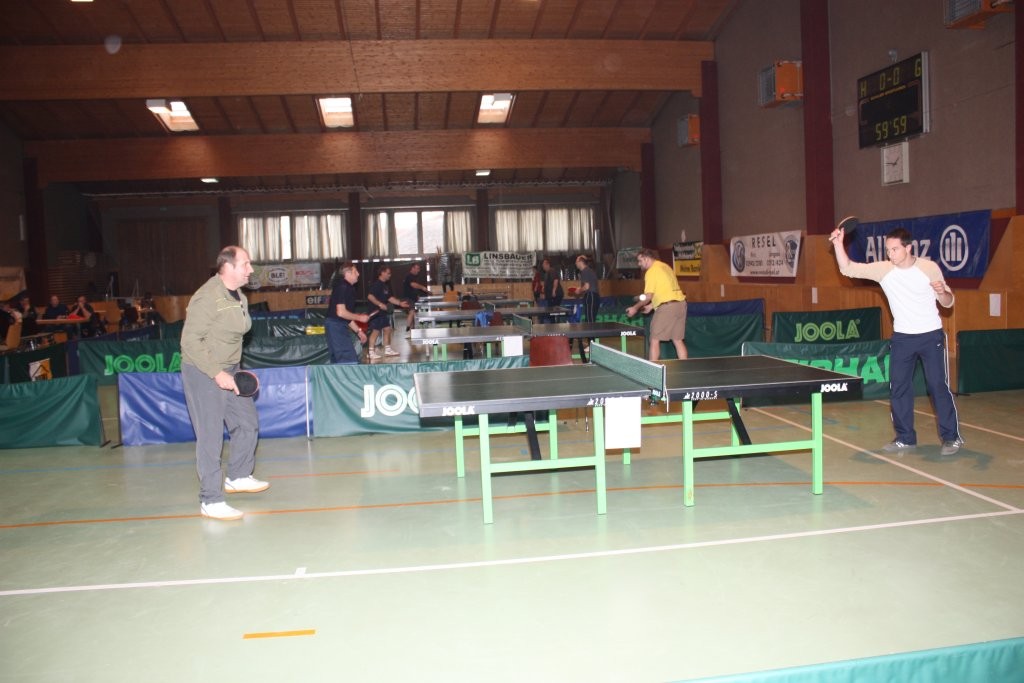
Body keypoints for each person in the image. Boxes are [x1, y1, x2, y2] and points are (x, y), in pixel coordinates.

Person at [829, 224, 963, 456]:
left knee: (937, 386)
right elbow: (847, 269)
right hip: (902, 338)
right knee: (899, 387)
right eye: (888, 250)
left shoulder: (929, 268)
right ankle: (905, 438)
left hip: (931, 335)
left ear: (908, 248)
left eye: (894, 249)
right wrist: (838, 244)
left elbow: (948, 302)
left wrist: (942, 292)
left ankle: (951, 438)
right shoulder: (884, 270)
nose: (890, 254)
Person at [180, 246, 268, 521]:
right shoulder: (207, 297)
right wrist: (217, 373)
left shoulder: (239, 295)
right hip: (203, 371)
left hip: (230, 369)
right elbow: (189, 341)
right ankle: (211, 500)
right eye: (246, 264)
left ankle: (238, 475)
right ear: (228, 267)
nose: (250, 269)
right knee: (210, 436)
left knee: (247, 422)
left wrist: (233, 371)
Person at [625, 247, 687, 361]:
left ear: (646, 258)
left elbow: (648, 296)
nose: (639, 264)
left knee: (654, 340)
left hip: (668, 308)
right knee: (677, 340)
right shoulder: (665, 266)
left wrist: (635, 308)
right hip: (680, 305)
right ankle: (684, 367)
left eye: (640, 261)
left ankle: (652, 369)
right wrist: (651, 306)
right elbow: (665, 290)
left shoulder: (651, 271)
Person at [325, 262, 369, 364]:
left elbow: (347, 317)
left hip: (337, 325)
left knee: (339, 361)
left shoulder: (348, 288)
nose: (358, 274)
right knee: (349, 360)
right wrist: (359, 317)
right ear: (348, 273)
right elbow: (341, 312)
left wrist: (359, 331)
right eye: (355, 271)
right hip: (335, 326)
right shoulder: (342, 287)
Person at [366, 265, 410, 361]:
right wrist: (380, 304)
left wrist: (400, 303)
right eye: (388, 273)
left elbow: (389, 298)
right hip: (375, 312)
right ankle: (371, 352)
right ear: (382, 273)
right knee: (375, 331)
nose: (390, 275)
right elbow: (370, 296)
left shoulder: (385, 286)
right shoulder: (376, 284)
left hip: (382, 313)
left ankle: (388, 350)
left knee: (387, 329)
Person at [575, 254, 601, 361]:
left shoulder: (585, 271)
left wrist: (579, 290)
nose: (575, 263)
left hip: (591, 296)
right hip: (594, 296)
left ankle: (592, 345)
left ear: (581, 262)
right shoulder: (589, 271)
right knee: (590, 321)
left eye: (576, 261)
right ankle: (592, 344)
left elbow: (586, 287)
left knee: (590, 322)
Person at [401, 262, 431, 331]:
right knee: (412, 312)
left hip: (412, 298)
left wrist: (416, 295)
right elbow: (413, 285)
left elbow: (411, 288)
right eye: (417, 268)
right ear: (412, 268)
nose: (418, 270)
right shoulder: (409, 276)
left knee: (413, 314)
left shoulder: (412, 277)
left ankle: (412, 330)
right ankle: (408, 327)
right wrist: (422, 287)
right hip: (409, 299)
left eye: (419, 269)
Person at [541, 257, 564, 322]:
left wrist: (554, 291)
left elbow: (555, 280)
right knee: (551, 312)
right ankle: (553, 324)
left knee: (553, 311)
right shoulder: (547, 273)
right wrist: (544, 289)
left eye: (543, 265)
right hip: (551, 296)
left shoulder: (552, 270)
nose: (543, 267)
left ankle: (555, 324)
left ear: (547, 264)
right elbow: (548, 283)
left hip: (555, 295)